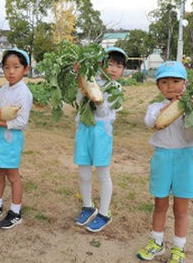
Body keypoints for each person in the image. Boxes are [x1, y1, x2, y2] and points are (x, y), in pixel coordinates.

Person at [137, 61, 192, 262]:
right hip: (162, 157)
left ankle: (178, 247)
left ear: (185, 83)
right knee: (160, 204)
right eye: (165, 82)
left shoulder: (190, 108)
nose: (171, 86)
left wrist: (187, 107)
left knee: (181, 208)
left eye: (176, 81)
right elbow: (152, 123)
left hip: (186, 158)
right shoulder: (155, 107)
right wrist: (172, 105)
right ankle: (157, 242)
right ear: (158, 86)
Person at [74, 47, 127, 232]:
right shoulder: (90, 80)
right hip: (83, 129)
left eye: (118, 66)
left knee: (103, 173)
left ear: (123, 70)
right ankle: (88, 207)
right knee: (84, 172)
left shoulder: (116, 89)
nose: (113, 69)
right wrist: (82, 83)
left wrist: (97, 98)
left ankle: (104, 213)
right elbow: (78, 101)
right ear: (101, 65)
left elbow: (104, 111)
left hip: (101, 132)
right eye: (110, 64)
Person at [0, 48, 33, 229]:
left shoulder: (24, 93)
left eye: (16, 67)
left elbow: (21, 122)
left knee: (13, 176)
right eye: (6, 67)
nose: (11, 72)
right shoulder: (3, 90)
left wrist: (0, 123)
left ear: (25, 69)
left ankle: (15, 211)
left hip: (12, 139)